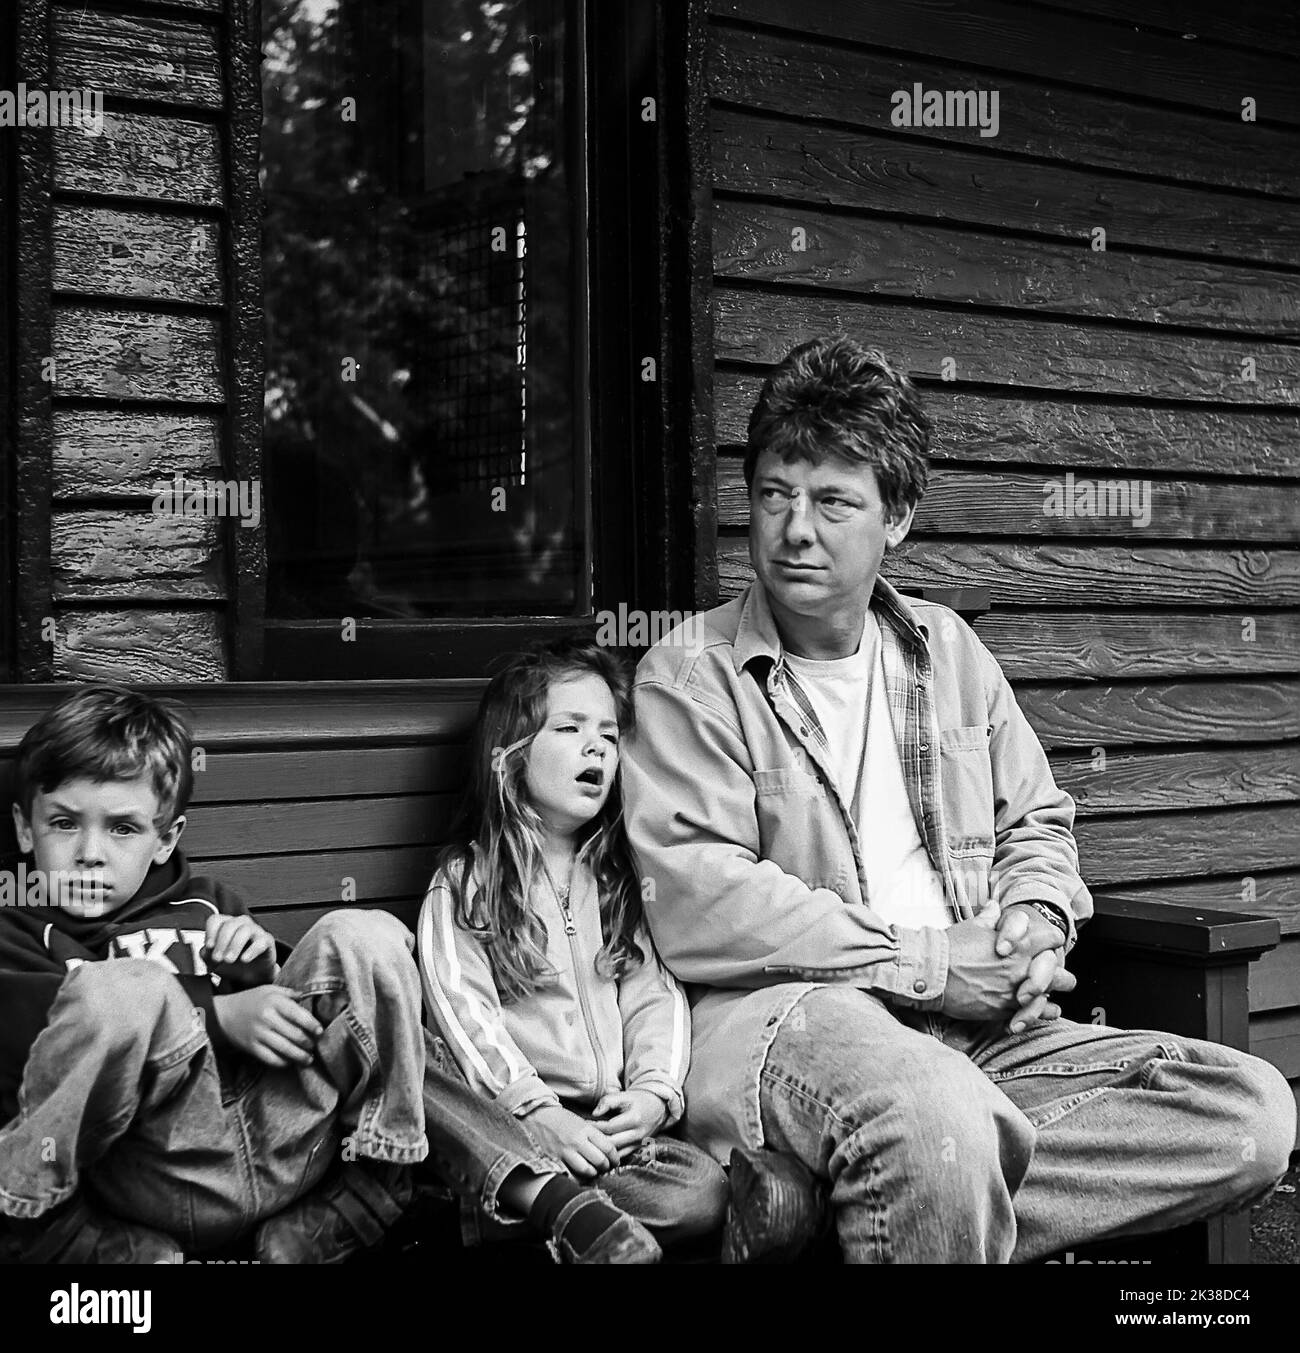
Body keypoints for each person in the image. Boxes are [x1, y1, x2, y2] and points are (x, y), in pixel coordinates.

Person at [620, 335, 1297, 1264]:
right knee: (935, 1118)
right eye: (774, 495)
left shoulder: (948, 651)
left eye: (832, 502)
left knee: (1249, 1111)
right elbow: (701, 903)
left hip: (982, 1032)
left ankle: (866, 1197)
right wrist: (935, 962)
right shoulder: (687, 676)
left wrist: (1033, 922)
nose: (794, 529)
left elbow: (1038, 820)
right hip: (797, 1020)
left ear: (896, 517)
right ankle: (917, 1167)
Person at [0, 683, 661, 1264]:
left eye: (121, 828)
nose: (89, 853)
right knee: (121, 990)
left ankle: (363, 1197)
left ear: (166, 837)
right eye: (63, 823)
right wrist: (216, 1013)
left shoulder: (205, 904)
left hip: (284, 1145)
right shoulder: (19, 926)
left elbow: (327, 1010)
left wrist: (258, 971)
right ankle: (41, 1230)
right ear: (25, 831)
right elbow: (30, 1040)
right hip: (146, 1167)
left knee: (363, 936)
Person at [418, 637, 729, 1254]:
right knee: (434, 1078)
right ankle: (538, 1213)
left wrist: (651, 1093)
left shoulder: (619, 881)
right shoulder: (466, 881)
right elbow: (460, 1012)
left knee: (698, 1190)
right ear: (507, 757)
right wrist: (534, 1111)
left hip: (607, 1130)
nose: (597, 748)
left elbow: (654, 997)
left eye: (610, 737)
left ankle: (545, 1226)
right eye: (570, 728)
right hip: (511, 1122)